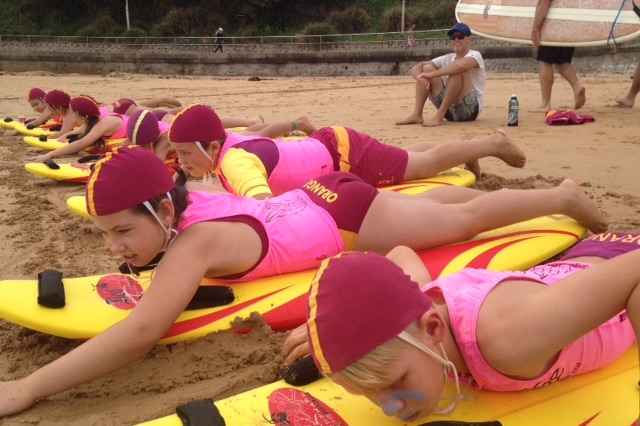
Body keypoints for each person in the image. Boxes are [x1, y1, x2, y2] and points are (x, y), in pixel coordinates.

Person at [0, 145, 608, 416]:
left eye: (120, 232)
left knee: (464, 220)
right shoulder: (194, 199)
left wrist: (30, 387)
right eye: (104, 234)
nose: (112, 248)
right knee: (441, 213)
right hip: (317, 201)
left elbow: (141, 333)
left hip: (342, 221)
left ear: (163, 209)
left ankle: (561, 195)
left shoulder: (194, 241)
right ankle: (456, 192)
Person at [283, 232, 640, 421]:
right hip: (574, 268)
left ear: (434, 329)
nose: (389, 407)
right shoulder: (420, 310)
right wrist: (339, 340)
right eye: (371, 395)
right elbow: (402, 254)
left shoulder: (508, 341)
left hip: (619, 256)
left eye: (393, 383)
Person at [169, 104, 526, 199]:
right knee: (403, 157)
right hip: (329, 145)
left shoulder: (233, 162)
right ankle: (464, 150)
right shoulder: (229, 141)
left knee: (420, 165)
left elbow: (264, 208)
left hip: (345, 157)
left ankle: (492, 143)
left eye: (185, 154)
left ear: (212, 147)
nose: (181, 162)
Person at [396, 22, 486, 127]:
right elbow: (418, 66)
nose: (456, 40)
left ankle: (439, 116)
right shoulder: (448, 58)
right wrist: (420, 77)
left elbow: (460, 66)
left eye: (460, 36)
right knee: (427, 68)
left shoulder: (475, 55)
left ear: (469, 39)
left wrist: (432, 75)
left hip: (469, 110)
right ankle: (417, 114)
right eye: (453, 37)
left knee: (457, 71)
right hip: (449, 111)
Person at [33, 95, 129, 162]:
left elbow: (81, 144)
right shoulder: (90, 118)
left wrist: (50, 155)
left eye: (73, 113)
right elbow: (75, 132)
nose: (73, 117)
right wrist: (47, 146)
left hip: (135, 133)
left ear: (81, 115)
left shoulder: (102, 123)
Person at [530, 0, 586, 113]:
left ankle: (545, 103)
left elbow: (544, 2)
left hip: (554, 24)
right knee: (562, 62)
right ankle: (577, 87)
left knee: (545, 61)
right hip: (570, 22)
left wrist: (536, 27)